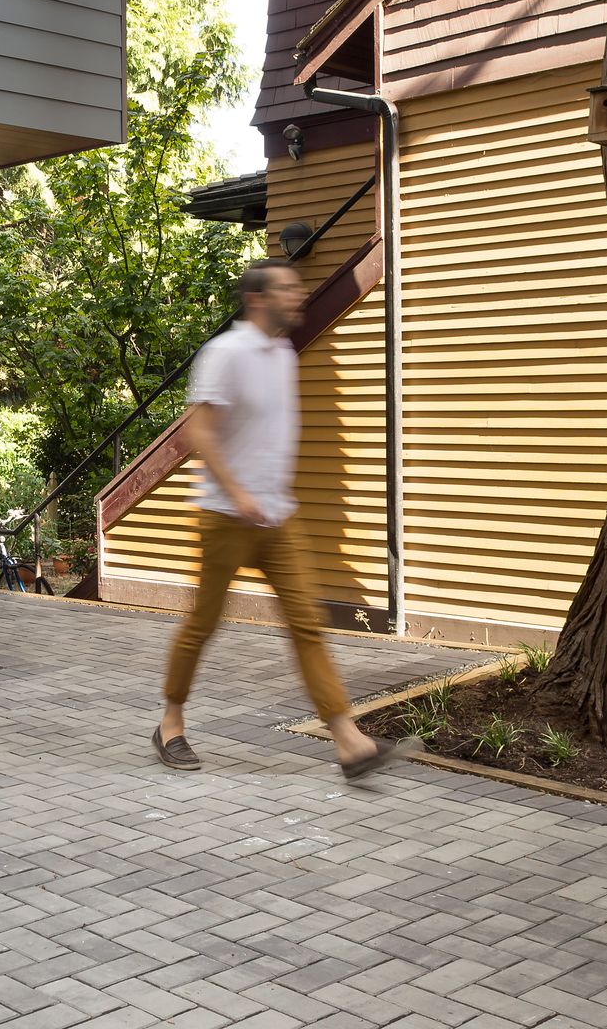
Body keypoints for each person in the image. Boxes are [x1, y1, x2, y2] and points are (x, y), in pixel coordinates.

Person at [153, 258, 415, 781]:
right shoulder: (225, 353)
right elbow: (198, 431)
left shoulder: (284, 356)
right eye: (287, 289)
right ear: (257, 299)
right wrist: (238, 493)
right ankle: (170, 723)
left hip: (278, 518)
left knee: (306, 625)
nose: (298, 296)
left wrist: (269, 496)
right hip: (224, 516)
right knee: (203, 623)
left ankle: (349, 741)